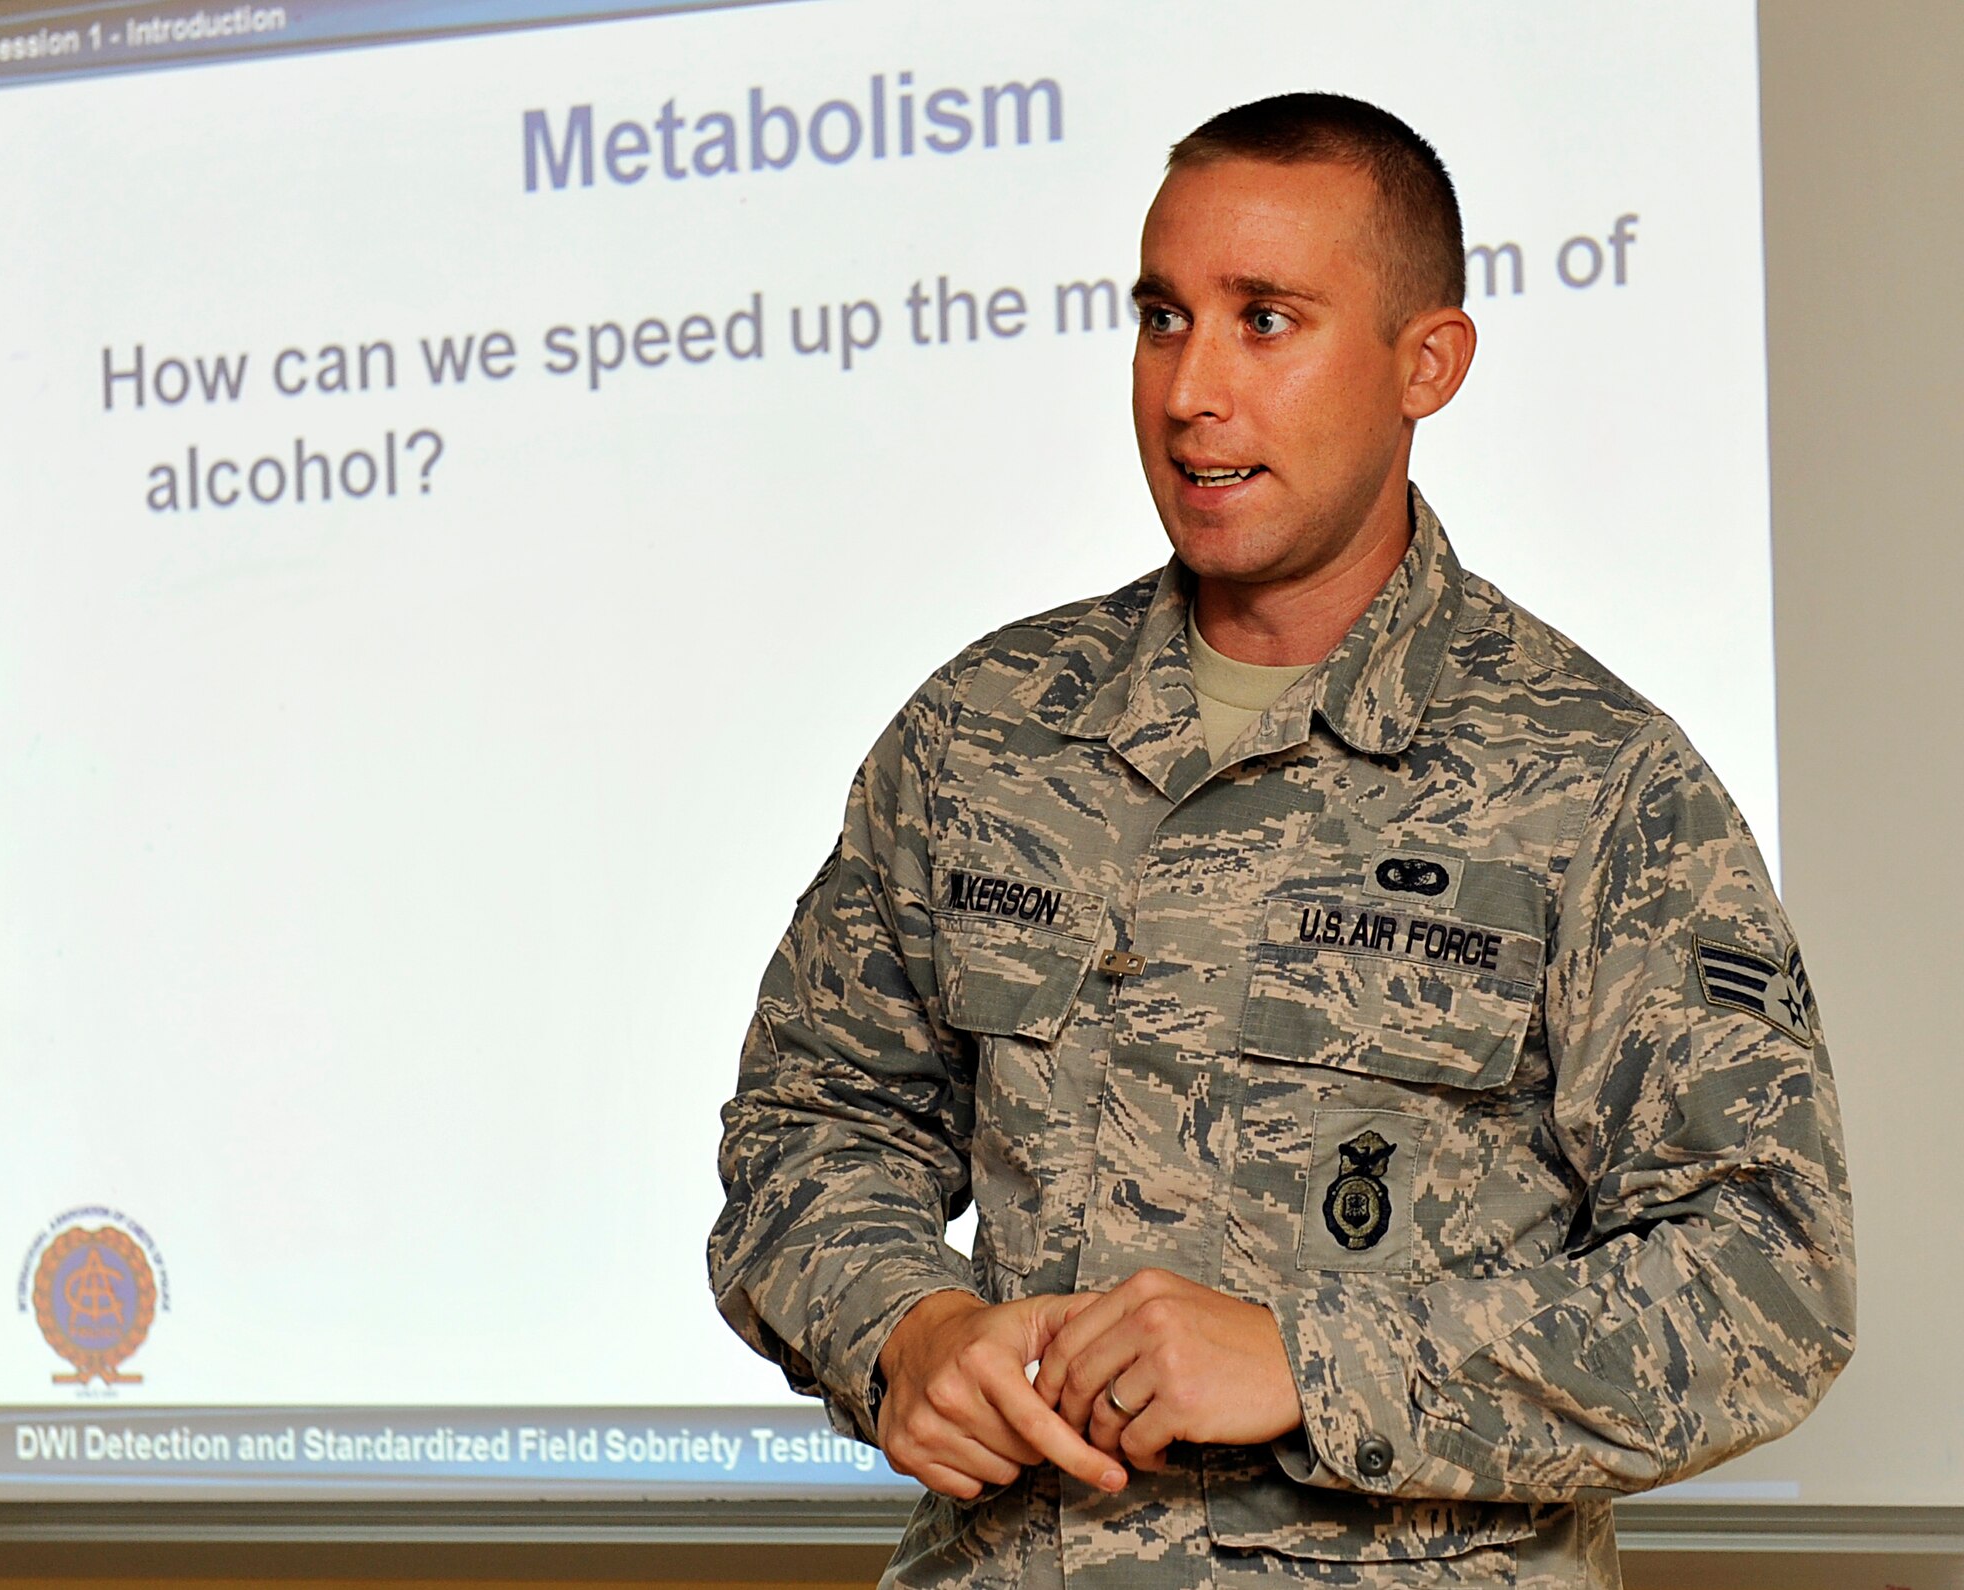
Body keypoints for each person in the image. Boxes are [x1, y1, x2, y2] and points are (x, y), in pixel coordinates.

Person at [708, 92, 1854, 1589]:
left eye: (1267, 321)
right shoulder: (983, 733)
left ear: (1423, 364)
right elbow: (813, 1126)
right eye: (1163, 316)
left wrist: (1315, 1366)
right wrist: (906, 1329)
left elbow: (1769, 1281)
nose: (1191, 391)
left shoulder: (1599, 782)